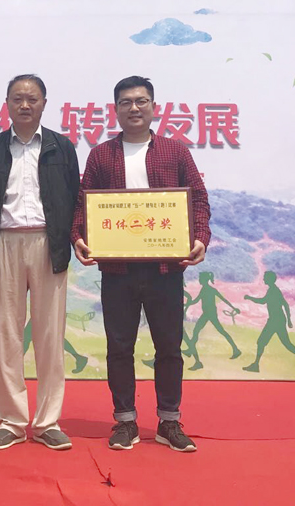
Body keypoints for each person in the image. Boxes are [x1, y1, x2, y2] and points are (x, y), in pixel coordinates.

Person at [72, 76, 211, 453]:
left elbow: (198, 199)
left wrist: (200, 237)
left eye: (141, 101)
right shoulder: (101, 155)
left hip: (165, 267)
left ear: (153, 106)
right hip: (118, 270)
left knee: (169, 347)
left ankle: (169, 421)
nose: (134, 108)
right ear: (115, 109)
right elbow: (83, 203)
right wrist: (78, 236)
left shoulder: (175, 151)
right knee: (119, 347)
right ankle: (125, 421)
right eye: (126, 102)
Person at [0, 74, 80, 451]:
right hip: (4, 241)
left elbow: (75, 197)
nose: (24, 105)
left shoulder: (61, 147)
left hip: (48, 242)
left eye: (32, 99)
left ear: (44, 104)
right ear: (6, 103)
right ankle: (12, 420)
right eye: (17, 98)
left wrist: (75, 239)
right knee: (7, 333)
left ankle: (49, 420)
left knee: (50, 334)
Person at [184, 271, 241, 370]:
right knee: (197, 331)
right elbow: (196, 300)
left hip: (210, 314)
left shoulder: (210, 289)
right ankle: (191, 351)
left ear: (205, 279)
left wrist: (233, 308)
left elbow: (223, 299)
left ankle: (236, 349)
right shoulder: (204, 289)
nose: (199, 280)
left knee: (221, 331)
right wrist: (186, 304)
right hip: (206, 314)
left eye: (201, 278)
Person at [243, 271, 295, 372]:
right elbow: (284, 304)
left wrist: (249, 297)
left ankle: (255, 366)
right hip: (277, 320)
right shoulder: (273, 289)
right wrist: (288, 320)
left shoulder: (273, 290)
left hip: (276, 320)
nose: (263, 279)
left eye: (265, 277)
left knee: (263, 342)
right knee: (285, 343)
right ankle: (255, 365)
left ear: (270, 279)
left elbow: (264, 301)